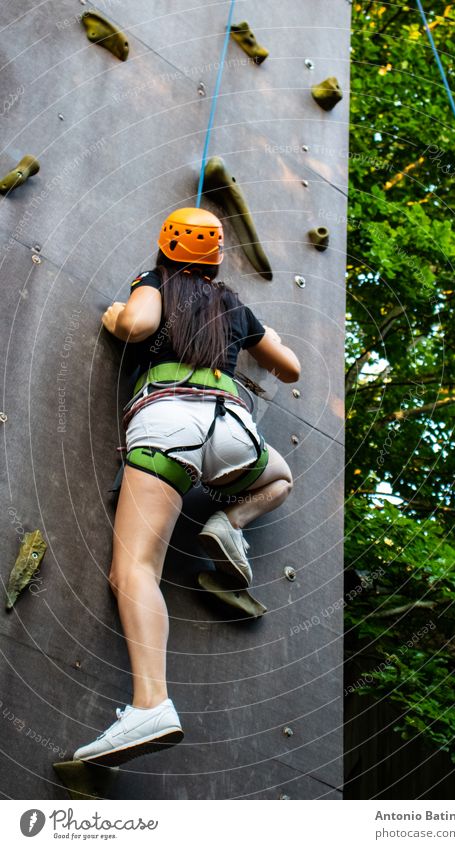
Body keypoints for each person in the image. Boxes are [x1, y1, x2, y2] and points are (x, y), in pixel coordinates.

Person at [72, 207, 300, 766]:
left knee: (136, 568)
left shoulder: (154, 282)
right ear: (217, 255)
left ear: (165, 247)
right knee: (280, 478)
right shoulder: (231, 304)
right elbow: (290, 367)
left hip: (168, 419)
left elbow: (139, 326)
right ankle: (228, 522)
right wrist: (245, 331)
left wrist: (114, 314)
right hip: (233, 430)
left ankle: (151, 704)